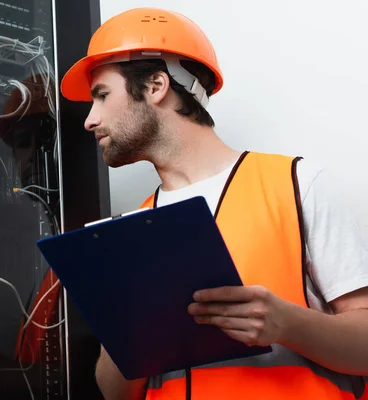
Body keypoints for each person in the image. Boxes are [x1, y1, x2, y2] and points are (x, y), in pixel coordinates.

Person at [60, 7, 368, 400]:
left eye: (102, 96)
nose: (90, 120)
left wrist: (287, 324)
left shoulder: (297, 184)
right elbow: (116, 393)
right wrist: (128, 329)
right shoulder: (129, 233)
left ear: (156, 86)